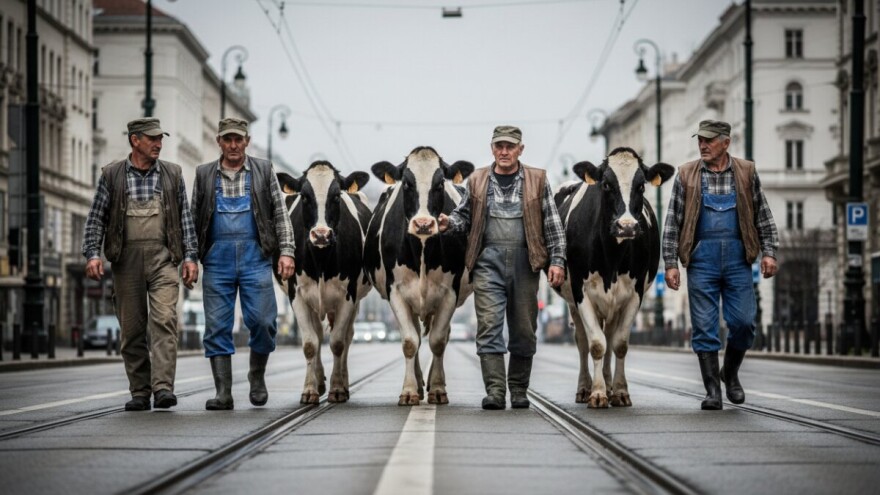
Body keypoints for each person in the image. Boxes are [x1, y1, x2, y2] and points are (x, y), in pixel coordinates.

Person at [439, 125, 566, 410]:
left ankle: (519, 390)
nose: (504, 151)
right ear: (492, 148)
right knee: (489, 327)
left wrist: (557, 261)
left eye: (510, 146)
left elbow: (552, 224)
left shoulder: (537, 179)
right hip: (487, 263)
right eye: (499, 146)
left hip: (526, 262)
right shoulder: (477, 179)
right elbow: (464, 216)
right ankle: (495, 391)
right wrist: (449, 223)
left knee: (523, 330)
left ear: (520, 149)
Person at [83, 118, 199, 411]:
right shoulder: (112, 174)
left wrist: (190, 257)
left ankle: (162, 389)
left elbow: (185, 219)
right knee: (132, 329)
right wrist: (92, 254)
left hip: (163, 259)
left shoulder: (173, 173)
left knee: (164, 321)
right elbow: (96, 216)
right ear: (135, 140)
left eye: (160, 138)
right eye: (152, 139)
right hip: (126, 261)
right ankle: (139, 391)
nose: (159, 143)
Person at [662, 120, 779, 410]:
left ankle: (731, 373)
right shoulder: (686, 174)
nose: (703, 145)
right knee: (704, 327)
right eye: (700, 140)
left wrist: (769, 252)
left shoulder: (746, 172)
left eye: (709, 140)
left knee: (743, 323)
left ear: (726, 143)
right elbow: (672, 222)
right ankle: (713, 390)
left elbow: (762, 214)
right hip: (701, 260)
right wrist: (670, 263)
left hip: (739, 259)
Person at [190, 118, 295, 410]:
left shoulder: (263, 170)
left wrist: (286, 251)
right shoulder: (204, 174)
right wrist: (191, 257)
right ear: (219, 142)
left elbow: (280, 215)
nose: (233, 145)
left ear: (247, 141)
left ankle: (256, 376)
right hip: (216, 259)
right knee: (216, 327)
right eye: (227, 140)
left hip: (256, 257)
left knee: (263, 321)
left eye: (238, 139)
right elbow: (193, 218)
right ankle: (223, 392)